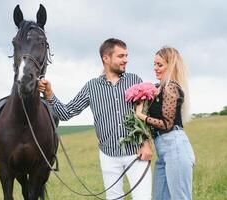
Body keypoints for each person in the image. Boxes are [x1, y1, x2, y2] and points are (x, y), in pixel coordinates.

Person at [39, 38, 152, 200]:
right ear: (106, 58)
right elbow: (66, 113)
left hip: (136, 153)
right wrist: (49, 94)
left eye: (126, 56)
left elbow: (145, 113)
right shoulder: (91, 87)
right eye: (121, 56)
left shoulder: (134, 80)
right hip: (108, 156)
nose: (126, 60)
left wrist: (146, 143)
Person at [135, 46, 195, 200]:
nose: (155, 68)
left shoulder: (171, 88)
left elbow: (167, 124)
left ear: (171, 66)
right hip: (163, 151)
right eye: (154, 64)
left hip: (175, 147)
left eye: (159, 65)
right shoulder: (158, 88)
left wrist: (141, 116)